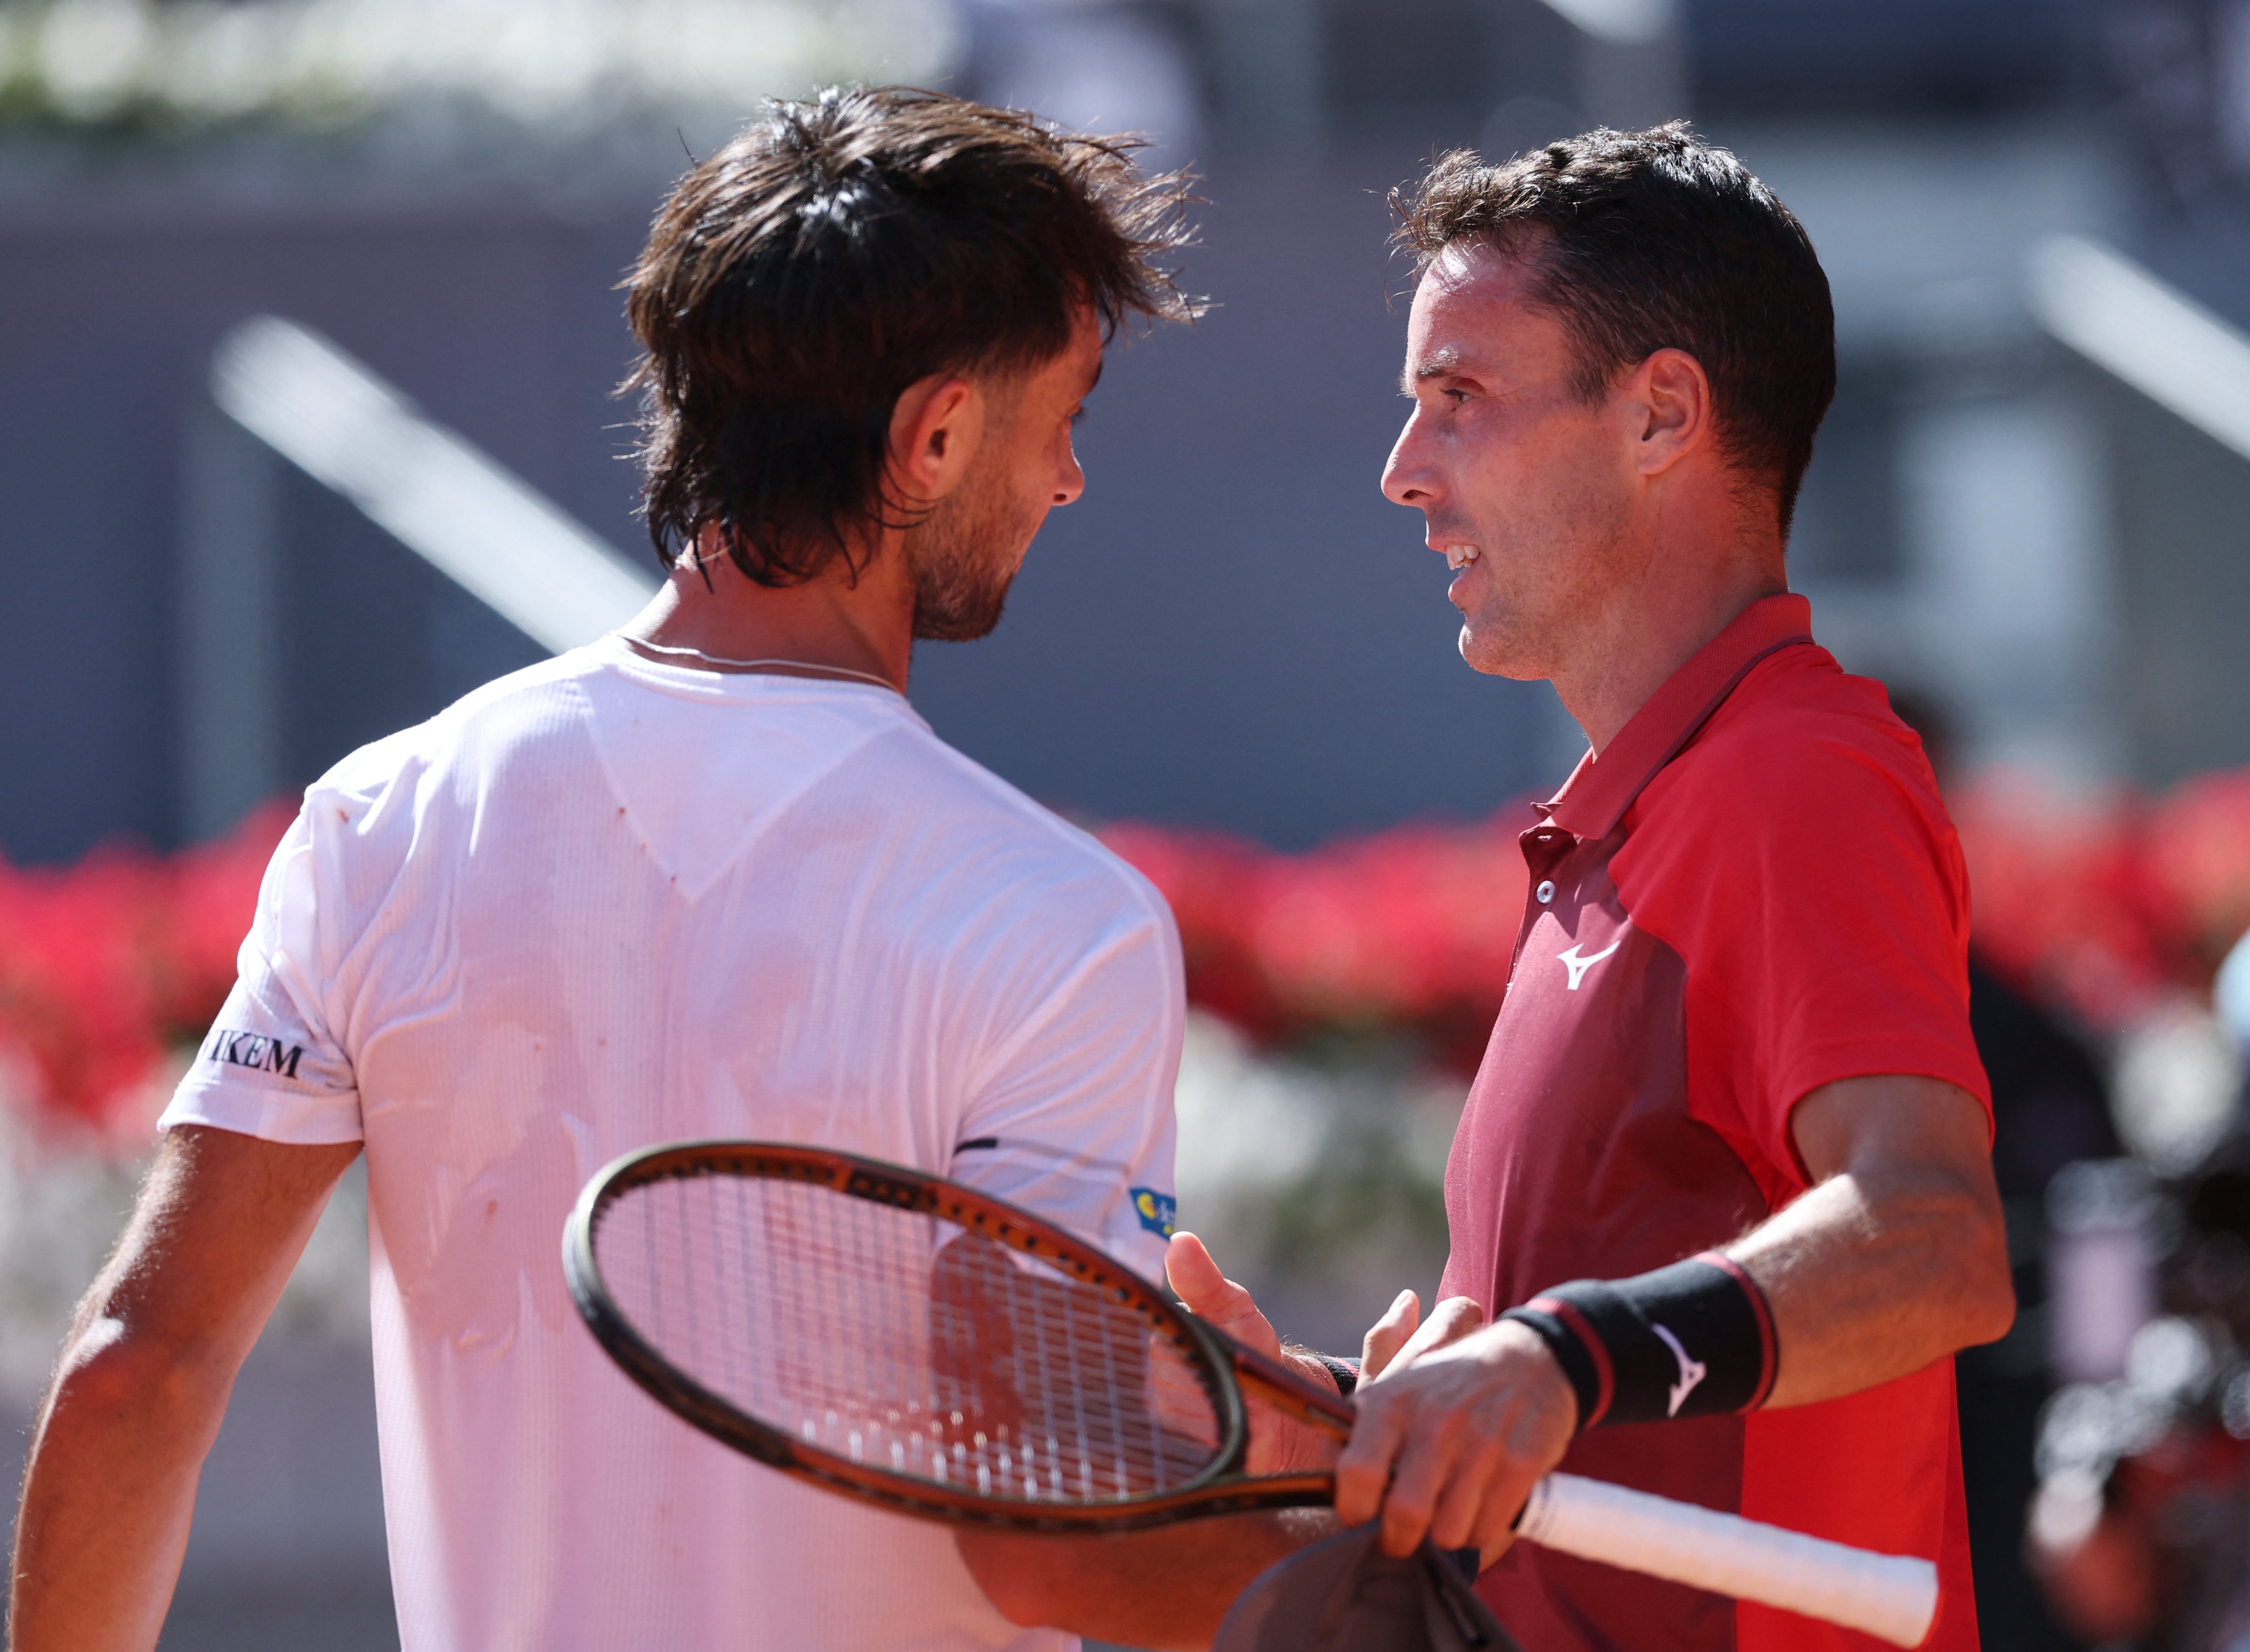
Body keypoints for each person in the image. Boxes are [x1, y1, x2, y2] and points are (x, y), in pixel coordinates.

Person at [7, 88, 1314, 1652]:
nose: (1070, 480)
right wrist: (1406, 1554)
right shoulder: (1061, 922)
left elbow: (135, 1371)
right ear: (935, 436)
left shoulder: (381, 818)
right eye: (1066, 419)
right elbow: (1046, 1551)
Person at [1316, 126, 2019, 1650]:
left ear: (1661, 415)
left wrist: (1558, 1359)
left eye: (1459, 398)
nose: (1403, 471)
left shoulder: (1794, 776)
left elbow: (1936, 1238)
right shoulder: (1633, 822)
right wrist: (1359, 1407)